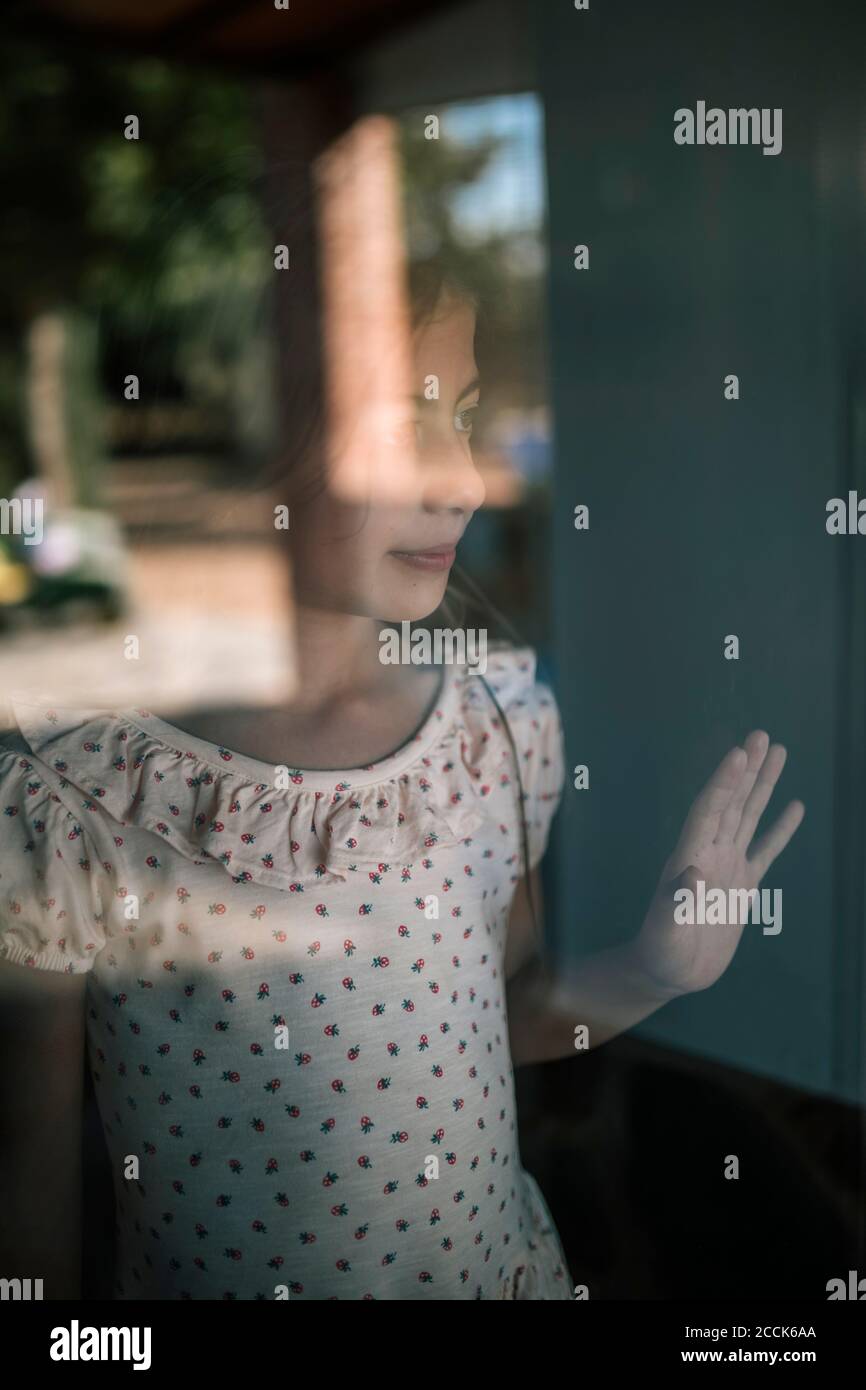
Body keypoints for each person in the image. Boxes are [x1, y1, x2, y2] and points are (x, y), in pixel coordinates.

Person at [0, 260, 804, 1300]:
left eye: (462, 417)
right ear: (255, 440)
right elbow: (32, 1202)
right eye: (402, 424)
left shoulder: (491, 732)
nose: (464, 479)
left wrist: (652, 969)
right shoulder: (90, 797)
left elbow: (506, 1009)